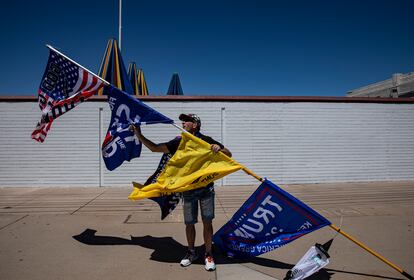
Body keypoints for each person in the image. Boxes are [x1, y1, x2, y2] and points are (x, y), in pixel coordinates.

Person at [130, 113, 232, 271]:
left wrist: (218, 148)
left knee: (207, 222)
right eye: (183, 121)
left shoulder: (205, 140)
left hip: (206, 190)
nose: (183, 123)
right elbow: (154, 148)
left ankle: (208, 253)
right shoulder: (180, 141)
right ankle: (191, 252)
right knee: (189, 223)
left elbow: (228, 154)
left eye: (187, 121)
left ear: (195, 124)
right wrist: (139, 133)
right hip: (188, 190)